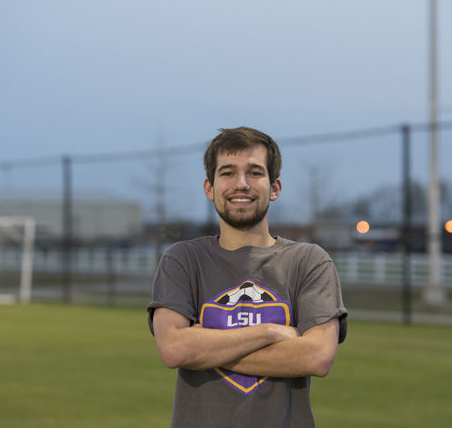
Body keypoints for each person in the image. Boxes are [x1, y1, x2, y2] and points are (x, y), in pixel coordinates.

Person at [147, 127, 347, 428]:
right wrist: (270, 333)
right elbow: (174, 348)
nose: (241, 184)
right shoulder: (183, 260)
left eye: (254, 173)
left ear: (275, 187)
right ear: (209, 187)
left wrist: (203, 346)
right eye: (227, 173)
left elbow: (316, 357)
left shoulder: (309, 262)